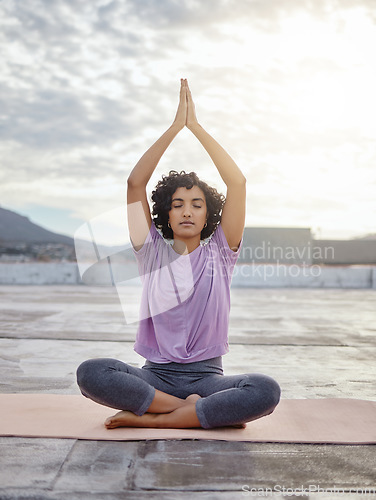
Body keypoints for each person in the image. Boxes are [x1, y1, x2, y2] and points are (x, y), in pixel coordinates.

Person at [76, 79, 280, 429]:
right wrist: (174, 128)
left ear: (208, 213)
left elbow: (238, 184)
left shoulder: (221, 249)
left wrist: (196, 127)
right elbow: (135, 184)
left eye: (197, 205)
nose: (187, 211)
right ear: (166, 214)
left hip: (208, 379)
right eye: (178, 204)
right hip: (156, 377)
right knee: (91, 372)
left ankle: (156, 418)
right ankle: (191, 413)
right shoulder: (151, 250)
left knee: (265, 390)